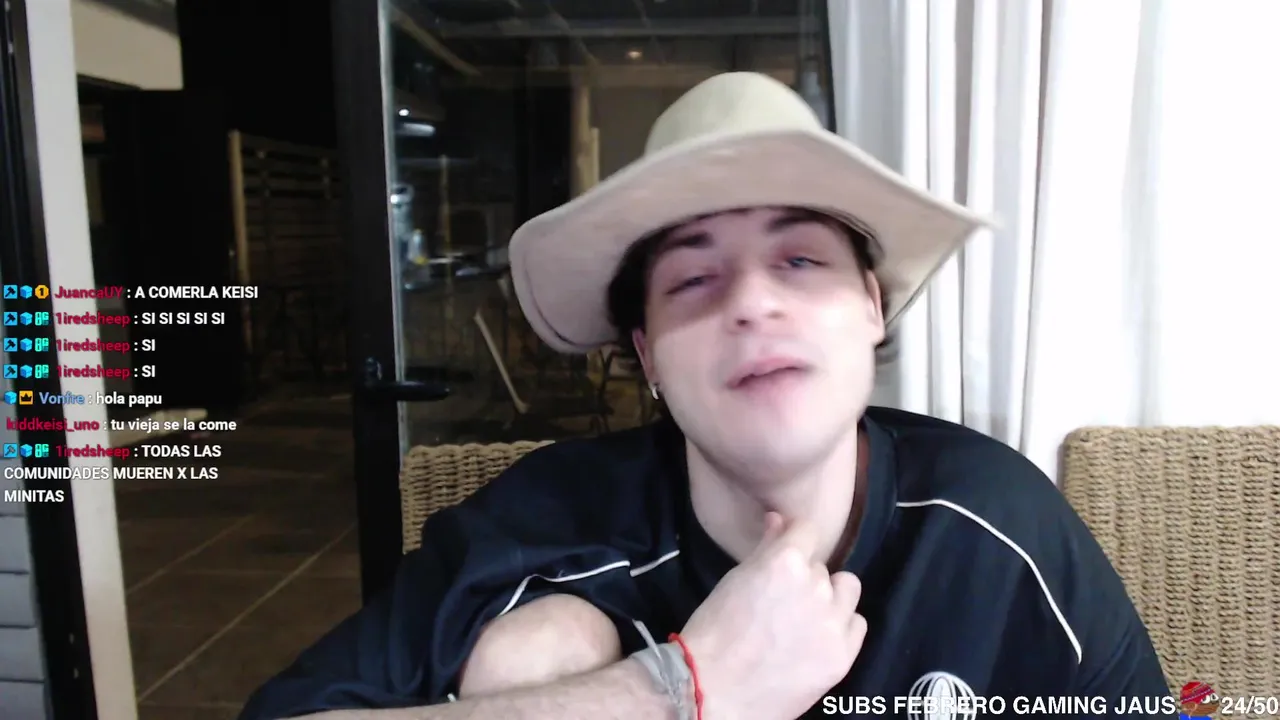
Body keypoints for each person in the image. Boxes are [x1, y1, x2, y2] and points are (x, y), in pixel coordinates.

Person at [239, 72, 1174, 720]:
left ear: (871, 307)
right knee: (537, 654)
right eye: (693, 280)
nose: (753, 303)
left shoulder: (997, 528)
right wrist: (679, 688)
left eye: (800, 261)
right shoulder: (549, 523)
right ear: (647, 353)